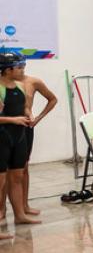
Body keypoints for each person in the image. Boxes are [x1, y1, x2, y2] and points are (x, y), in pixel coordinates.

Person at [0, 52, 40, 234]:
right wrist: (12, 120)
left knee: (17, 178)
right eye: (19, 67)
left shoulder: (21, 86)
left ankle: (19, 215)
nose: (23, 70)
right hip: (2, 138)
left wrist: (28, 114)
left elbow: (23, 107)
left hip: (19, 137)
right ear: (7, 70)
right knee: (1, 181)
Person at [8, 69, 57, 217]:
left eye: (22, 65)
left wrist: (38, 118)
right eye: (18, 66)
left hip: (24, 128)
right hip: (5, 128)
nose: (21, 69)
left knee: (23, 168)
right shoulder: (3, 84)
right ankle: (2, 210)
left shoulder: (33, 82)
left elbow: (52, 99)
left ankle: (24, 205)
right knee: (3, 172)